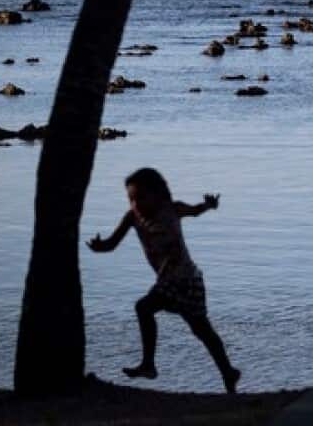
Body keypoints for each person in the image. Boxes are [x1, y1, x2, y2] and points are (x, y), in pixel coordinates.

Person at [87, 167, 240, 393]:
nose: (135, 203)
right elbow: (112, 243)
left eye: (141, 197)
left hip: (187, 280)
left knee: (200, 329)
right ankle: (226, 372)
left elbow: (196, 210)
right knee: (150, 311)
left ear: (158, 195)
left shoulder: (171, 209)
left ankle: (227, 373)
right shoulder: (132, 218)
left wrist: (210, 205)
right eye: (131, 199)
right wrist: (100, 247)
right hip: (168, 282)